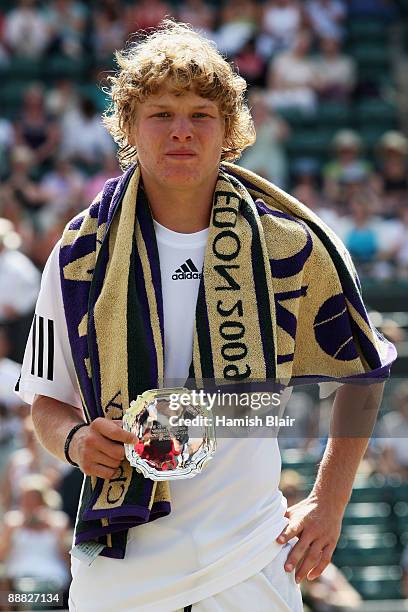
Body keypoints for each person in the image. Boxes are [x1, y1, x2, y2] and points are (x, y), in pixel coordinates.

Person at [15, 20, 396, 612]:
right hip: (122, 555)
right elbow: (45, 403)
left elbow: (364, 371)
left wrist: (330, 499)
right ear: (130, 128)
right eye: (162, 114)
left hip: (253, 549)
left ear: (230, 131)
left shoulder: (289, 244)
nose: (181, 132)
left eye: (201, 114)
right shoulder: (78, 254)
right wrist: (73, 441)